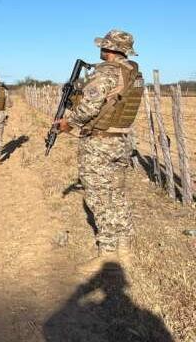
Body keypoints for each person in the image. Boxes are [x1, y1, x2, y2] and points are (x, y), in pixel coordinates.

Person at [55, 29, 143, 273]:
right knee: (116, 193)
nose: (100, 51)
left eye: (102, 47)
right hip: (121, 140)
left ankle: (107, 254)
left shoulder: (107, 72)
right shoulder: (134, 73)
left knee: (98, 196)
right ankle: (125, 248)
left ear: (109, 49)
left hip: (100, 143)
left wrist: (68, 123)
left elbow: (91, 106)